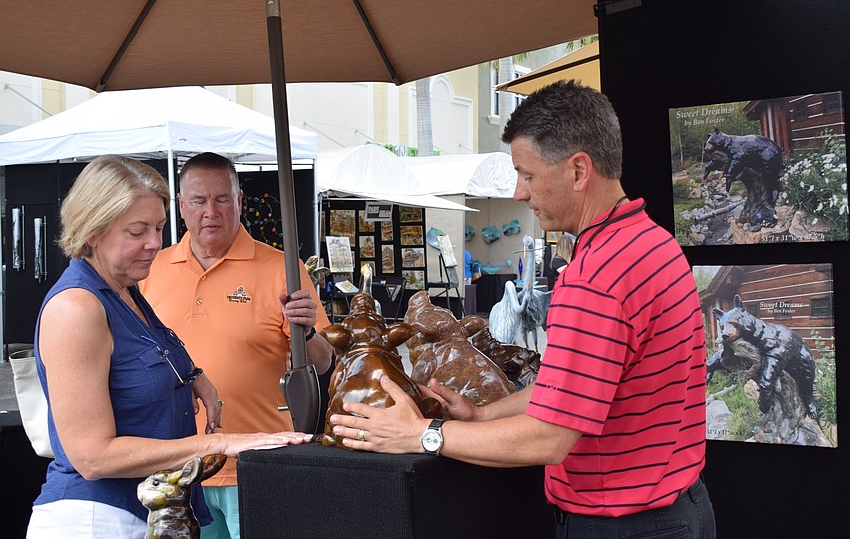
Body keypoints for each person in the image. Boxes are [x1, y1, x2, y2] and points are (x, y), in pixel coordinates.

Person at [330, 81, 715, 538]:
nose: (519, 192)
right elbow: (573, 390)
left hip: (628, 526)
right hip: (681, 510)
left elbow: (550, 436)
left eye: (527, 175)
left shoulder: (595, 275)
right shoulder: (655, 242)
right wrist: (482, 417)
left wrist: (420, 434)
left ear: (578, 170)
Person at [27, 156, 312, 539]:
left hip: (147, 509)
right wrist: (218, 442)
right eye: (137, 231)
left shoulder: (125, 290)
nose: (154, 243)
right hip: (97, 517)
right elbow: (92, 457)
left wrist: (194, 375)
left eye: (159, 228)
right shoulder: (77, 307)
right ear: (92, 231)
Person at [140, 152, 333, 539]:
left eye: (222, 199)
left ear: (240, 201)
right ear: (180, 205)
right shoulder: (151, 269)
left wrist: (308, 332)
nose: (210, 211)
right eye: (199, 200)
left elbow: (325, 363)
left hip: (256, 463)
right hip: (178, 468)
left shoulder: (282, 269)